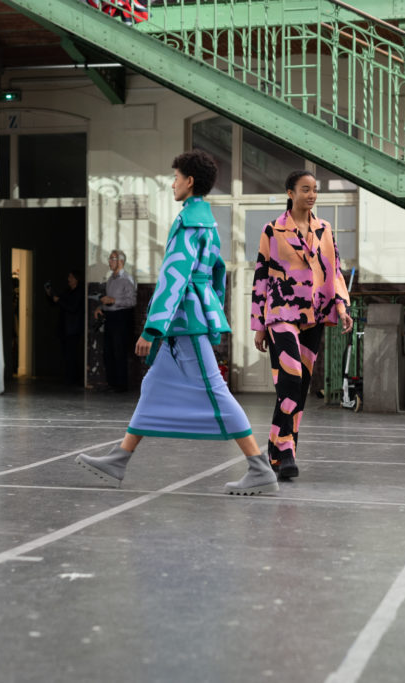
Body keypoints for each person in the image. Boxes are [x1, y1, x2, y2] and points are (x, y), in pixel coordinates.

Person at [75, 149, 278, 495]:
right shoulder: (207, 220)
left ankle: (260, 469)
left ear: (190, 181)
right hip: (190, 319)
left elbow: (174, 277)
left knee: (216, 392)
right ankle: (119, 459)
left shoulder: (188, 222)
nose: (172, 184)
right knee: (152, 386)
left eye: (176, 178)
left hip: (184, 322)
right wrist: (212, 310)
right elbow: (217, 272)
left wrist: (152, 329)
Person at [251, 170, 353, 479]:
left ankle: (280, 451)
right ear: (290, 193)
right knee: (291, 377)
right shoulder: (272, 230)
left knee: (298, 386)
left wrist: (342, 306)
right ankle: (285, 450)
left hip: (314, 315)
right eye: (305, 189)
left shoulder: (325, 229)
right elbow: (261, 276)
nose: (311, 195)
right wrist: (259, 323)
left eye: (314, 190)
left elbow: (334, 270)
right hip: (280, 312)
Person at [94, 249, 136, 391]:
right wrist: (100, 307)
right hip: (110, 317)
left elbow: (132, 301)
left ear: (121, 261)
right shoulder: (110, 279)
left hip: (121, 318)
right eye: (109, 258)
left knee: (119, 351)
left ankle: (121, 385)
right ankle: (111, 384)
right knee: (108, 351)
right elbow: (108, 300)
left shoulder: (127, 279)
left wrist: (114, 301)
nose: (109, 261)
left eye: (112, 259)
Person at [48, 271, 85, 385]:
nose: (69, 279)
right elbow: (57, 301)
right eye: (68, 277)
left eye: (71, 277)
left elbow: (73, 308)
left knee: (72, 353)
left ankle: (74, 378)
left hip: (74, 328)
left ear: (76, 279)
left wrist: (59, 301)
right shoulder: (67, 291)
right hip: (65, 327)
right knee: (67, 353)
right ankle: (70, 377)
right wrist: (51, 295)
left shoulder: (79, 292)